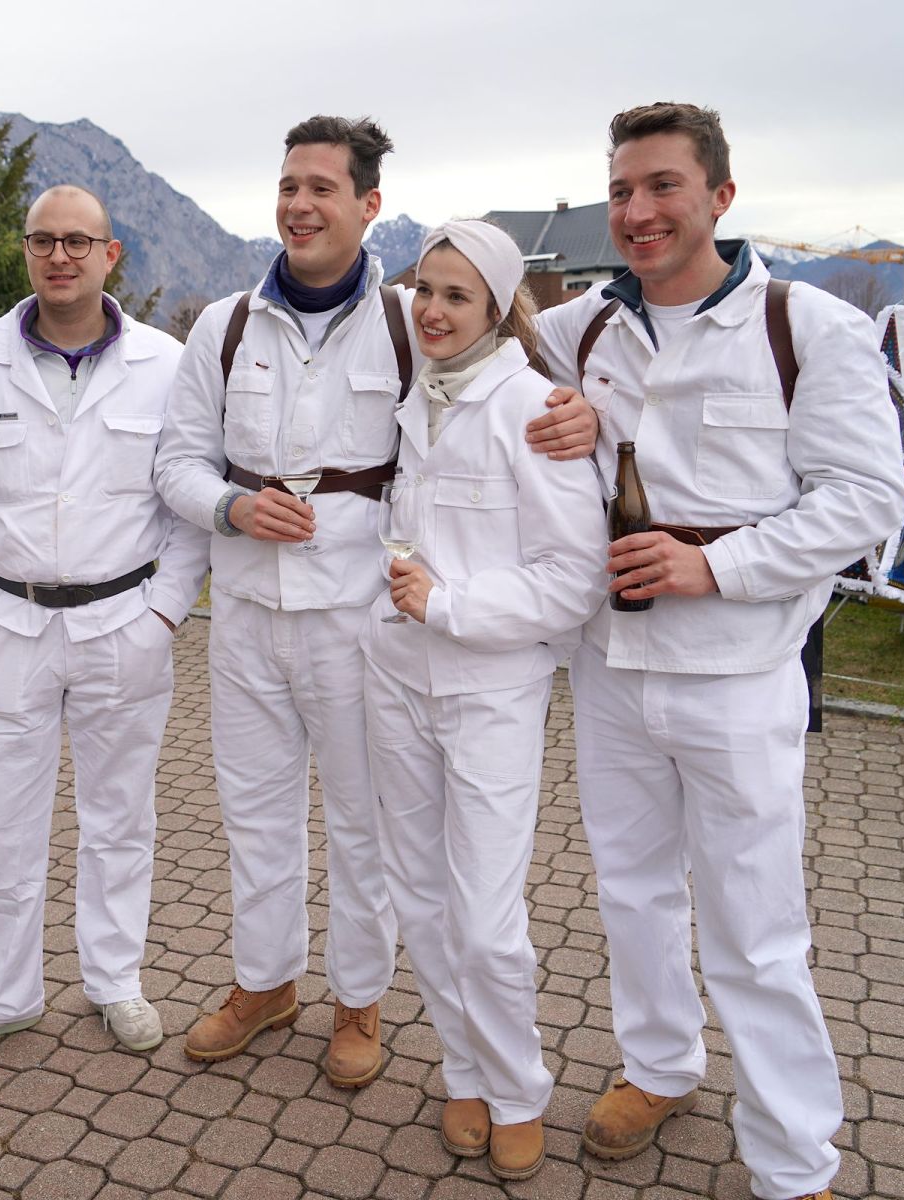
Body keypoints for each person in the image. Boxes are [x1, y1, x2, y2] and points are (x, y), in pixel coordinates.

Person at [155, 116, 599, 1088]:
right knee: (254, 813)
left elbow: (521, 354)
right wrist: (231, 507)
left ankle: (359, 999)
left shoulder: (412, 320)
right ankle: (265, 982)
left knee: (364, 825)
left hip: (360, 621)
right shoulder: (224, 327)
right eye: (289, 185)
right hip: (244, 618)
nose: (299, 204)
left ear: (368, 205)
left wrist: (582, 406)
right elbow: (175, 463)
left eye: (322, 187)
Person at [536, 103, 904, 1200]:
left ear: (720, 197)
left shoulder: (808, 328)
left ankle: (794, 1160)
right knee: (632, 892)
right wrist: (553, 416)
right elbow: (472, 363)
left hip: (740, 675)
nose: (637, 211)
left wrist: (718, 566)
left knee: (756, 928)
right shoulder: (577, 331)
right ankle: (658, 1068)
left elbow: (866, 499)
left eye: (662, 186)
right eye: (621, 191)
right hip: (610, 665)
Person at [0, 185, 210, 1062]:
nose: (60, 256)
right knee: (0, 824)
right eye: (43, 240)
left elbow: (190, 504)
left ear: (111, 254)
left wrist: (163, 614)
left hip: (126, 624)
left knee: (121, 819)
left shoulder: (167, 365)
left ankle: (115, 981)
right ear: (26, 250)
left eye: (79, 241)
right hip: (6, 628)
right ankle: (1, 996)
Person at [361, 220, 608, 1180]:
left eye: (458, 295)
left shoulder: (531, 408)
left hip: (490, 690)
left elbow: (572, 577)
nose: (433, 310)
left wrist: (450, 604)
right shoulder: (413, 397)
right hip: (397, 676)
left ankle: (518, 1089)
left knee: (487, 915)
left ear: (500, 309)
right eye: (425, 289)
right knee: (419, 895)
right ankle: (462, 1069)